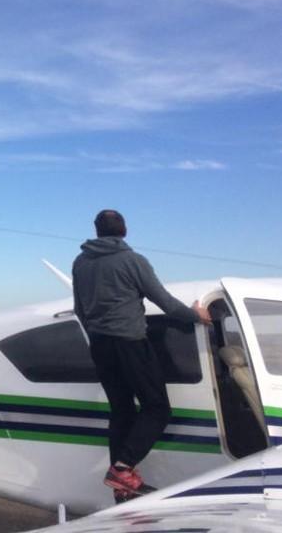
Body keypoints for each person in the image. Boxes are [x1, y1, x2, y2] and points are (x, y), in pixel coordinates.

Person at [72, 209, 211, 502]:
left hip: (100, 345)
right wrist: (195, 315)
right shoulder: (133, 261)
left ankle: (122, 487)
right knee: (157, 408)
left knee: (121, 411)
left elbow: (80, 309)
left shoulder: (80, 263)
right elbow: (166, 302)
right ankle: (122, 469)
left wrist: (97, 334)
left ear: (97, 231)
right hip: (130, 343)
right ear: (124, 230)